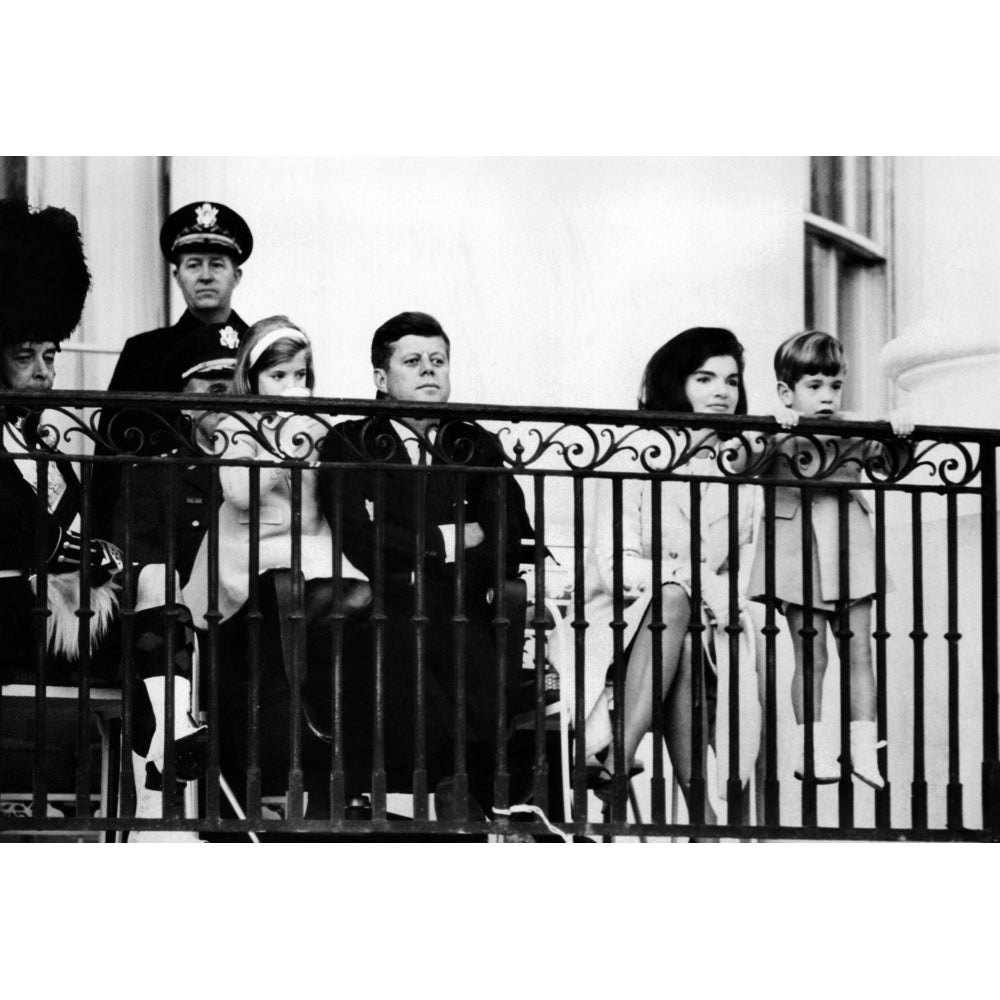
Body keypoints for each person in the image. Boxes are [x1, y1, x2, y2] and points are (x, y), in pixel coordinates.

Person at [317, 311, 532, 817]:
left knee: (457, 631)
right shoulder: (351, 440)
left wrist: (418, 556)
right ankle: (445, 792)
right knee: (400, 632)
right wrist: (447, 540)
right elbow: (358, 536)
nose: (429, 371)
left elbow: (505, 533)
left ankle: (438, 795)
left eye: (438, 361)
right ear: (380, 378)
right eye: (412, 362)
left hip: (457, 609)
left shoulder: (474, 444)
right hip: (380, 607)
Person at [181, 316, 371, 818]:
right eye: (279, 376)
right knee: (290, 591)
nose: (293, 387)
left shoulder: (319, 428)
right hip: (247, 559)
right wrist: (287, 448)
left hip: (310, 553)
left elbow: (335, 501)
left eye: (301, 375)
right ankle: (303, 715)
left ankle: (314, 723)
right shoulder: (236, 425)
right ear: (253, 379)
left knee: (359, 598)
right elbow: (238, 493)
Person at [574, 327, 762, 821]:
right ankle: (701, 814)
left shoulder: (739, 468)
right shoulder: (636, 454)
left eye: (731, 380)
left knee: (681, 633)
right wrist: (689, 580)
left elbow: (746, 564)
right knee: (674, 604)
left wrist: (699, 589)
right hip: (623, 619)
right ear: (675, 385)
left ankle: (622, 754)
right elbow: (617, 568)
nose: (722, 391)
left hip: (705, 623)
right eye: (704, 378)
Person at [747, 330, 912, 789]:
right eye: (813, 386)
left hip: (850, 544)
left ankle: (863, 749)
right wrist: (768, 427)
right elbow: (739, 462)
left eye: (834, 386)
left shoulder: (853, 425)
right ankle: (811, 749)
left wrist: (897, 432)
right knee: (811, 655)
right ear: (787, 391)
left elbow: (888, 464)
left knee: (860, 650)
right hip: (796, 548)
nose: (826, 396)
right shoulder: (778, 427)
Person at [112, 321, 241, 841]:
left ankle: (164, 759)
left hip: (246, 625)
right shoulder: (157, 472)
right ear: (185, 404)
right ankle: (171, 743)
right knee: (159, 583)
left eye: (236, 389)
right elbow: (135, 559)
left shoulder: (265, 471)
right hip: (178, 633)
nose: (229, 402)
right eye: (212, 390)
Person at [0, 197, 122, 683]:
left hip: (48, 617)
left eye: (50, 357)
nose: (43, 373)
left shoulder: (43, 440)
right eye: (25, 356)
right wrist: (88, 555)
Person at [92, 201, 252, 536]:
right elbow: (111, 449)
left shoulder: (258, 351)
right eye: (193, 265)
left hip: (248, 516)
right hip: (161, 525)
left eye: (217, 264)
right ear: (177, 275)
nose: (205, 275)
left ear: (236, 275)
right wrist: (102, 541)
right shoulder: (143, 352)